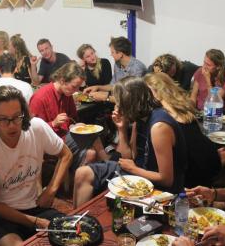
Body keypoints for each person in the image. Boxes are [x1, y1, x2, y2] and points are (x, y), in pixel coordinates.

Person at [0, 86, 73, 245]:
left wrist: (51, 190)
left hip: (34, 206)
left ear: (24, 114)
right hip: (2, 214)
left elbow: (66, 154)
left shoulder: (37, 127)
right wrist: (35, 222)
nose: (11, 125)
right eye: (3, 119)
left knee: (74, 233)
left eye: (16, 117)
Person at [73, 76, 187, 208]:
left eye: (119, 102)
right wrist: (121, 128)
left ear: (130, 103)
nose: (116, 106)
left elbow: (167, 180)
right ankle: (73, 222)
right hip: (139, 172)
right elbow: (128, 156)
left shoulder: (159, 127)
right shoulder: (140, 119)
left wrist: (133, 168)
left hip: (161, 187)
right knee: (82, 173)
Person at [144, 72, 221, 187]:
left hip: (191, 175)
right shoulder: (183, 106)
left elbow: (165, 176)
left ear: (154, 93)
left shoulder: (162, 118)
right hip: (210, 164)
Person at [29, 62, 109, 171]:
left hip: (64, 136)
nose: (76, 91)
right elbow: (32, 131)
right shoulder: (40, 97)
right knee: (92, 135)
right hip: (49, 142)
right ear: (62, 80)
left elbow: (72, 118)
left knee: (91, 153)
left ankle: (80, 182)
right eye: (74, 87)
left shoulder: (67, 94)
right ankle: (108, 166)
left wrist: (75, 125)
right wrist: (53, 123)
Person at [83, 36, 146, 103]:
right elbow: (113, 85)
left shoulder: (137, 68)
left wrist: (106, 97)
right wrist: (97, 87)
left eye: (112, 52)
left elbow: (131, 98)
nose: (111, 55)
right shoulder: (117, 64)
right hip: (120, 105)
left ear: (120, 54)